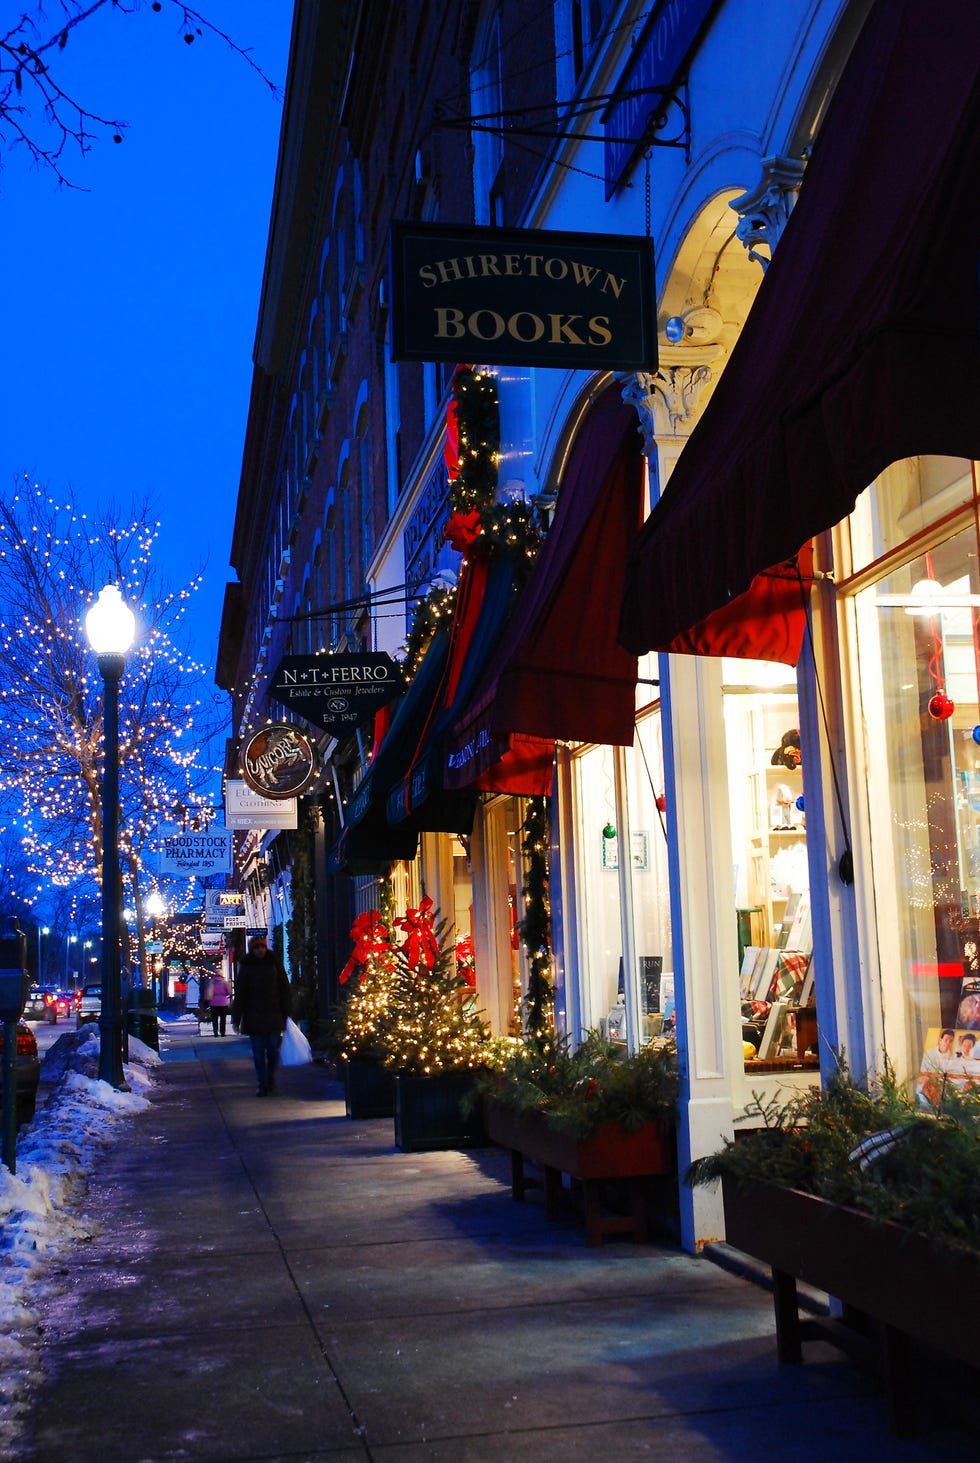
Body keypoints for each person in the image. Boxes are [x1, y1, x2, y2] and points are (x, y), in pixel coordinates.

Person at [231, 935, 291, 1095]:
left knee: (272, 1050)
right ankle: (262, 1083)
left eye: (262, 947)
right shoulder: (246, 966)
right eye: (257, 947)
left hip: (273, 1014)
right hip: (254, 1016)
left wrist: (287, 1011)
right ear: (253, 949)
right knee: (258, 1053)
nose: (260, 950)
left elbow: (284, 987)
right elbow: (241, 993)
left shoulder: (273, 963)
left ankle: (270, 1077)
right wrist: (236, 1018)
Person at [208, 970, 231, 1037]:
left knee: (214, 1019)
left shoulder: (212, 982)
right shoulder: (225, 982)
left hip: (213, 1002)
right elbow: (229, 992)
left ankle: (215, 1032)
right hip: (223, 1002)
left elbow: (208, 992)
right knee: (223, 1018)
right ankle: (222, 1032)